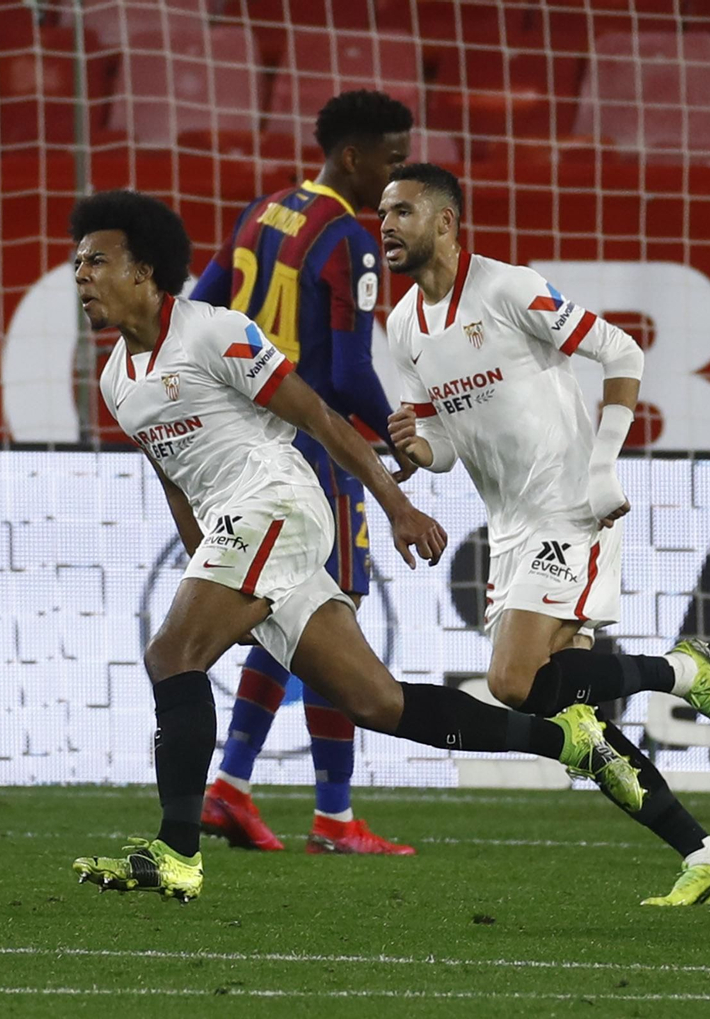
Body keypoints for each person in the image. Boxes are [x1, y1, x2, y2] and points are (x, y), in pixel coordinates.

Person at [67, 189, 640, 903]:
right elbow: (174, 477)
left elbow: (320, 415)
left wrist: (396, 504)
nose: (82, 274)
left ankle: (176, 850)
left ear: (146, 272)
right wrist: (206, 568)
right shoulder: (118, 379)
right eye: (77, 262)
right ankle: (569, 744)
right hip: (237, 530)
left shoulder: (214, 333)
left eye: (97, 260)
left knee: (169, 656)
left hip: (277, 503)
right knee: (377, 702)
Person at [381, 163, 710, 907]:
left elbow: (624, 352)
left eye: (404, 212)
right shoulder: (403, 327)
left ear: (448, 224)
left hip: (568, 506)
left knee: (510, 681)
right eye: (383, 214)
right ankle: (709, 857)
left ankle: (684, 673)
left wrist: (602, 466)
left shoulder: (510, 289)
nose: (387, 226)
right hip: (510, 525)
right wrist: (418, 448)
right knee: (566, 717)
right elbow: (446, 443)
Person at [188, 90, 416, 856]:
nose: (395, 177)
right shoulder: (346, 238)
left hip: (244, 451)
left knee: (280, 612)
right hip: (312, 454)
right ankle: (333, 815)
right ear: (352, 156)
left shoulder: (262, 212)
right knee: (331, 615)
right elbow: (349, 373)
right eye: (390, 159)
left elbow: (197, 309)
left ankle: (231, 788)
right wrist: (399, 436)